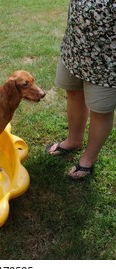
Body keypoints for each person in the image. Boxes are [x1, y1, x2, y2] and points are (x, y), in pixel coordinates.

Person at [47, 1, 116, 179]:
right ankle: (73, 140)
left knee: (101, 110)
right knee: (74, 93)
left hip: (108, 61)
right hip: (75, 48)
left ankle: (88, 158)